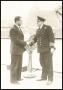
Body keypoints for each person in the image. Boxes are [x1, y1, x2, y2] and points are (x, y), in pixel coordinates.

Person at [29, 16, 55, 85]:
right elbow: (35, 38)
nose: (37, 22)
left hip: (47, 49)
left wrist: (52, 47)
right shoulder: (38, 30)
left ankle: (50, 79)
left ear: (42, 22)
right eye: (37, 21)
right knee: (42, 63)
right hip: (41, 50)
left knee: (48, 64)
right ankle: (43, 77)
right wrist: (31, 43)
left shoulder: (47, 27)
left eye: (38, 21)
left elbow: (51, 37)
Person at [10, 16, 26, 84]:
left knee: (19, 65)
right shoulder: (13, 29)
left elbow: (20, 38)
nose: (22, 22)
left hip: (19, 50)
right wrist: (25, 42)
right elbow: (15, 40)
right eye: (21, 21)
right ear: (17, 21)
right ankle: (13, 80)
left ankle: (18, 78)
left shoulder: (18, 28)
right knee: (14, 65)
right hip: (15, 50)